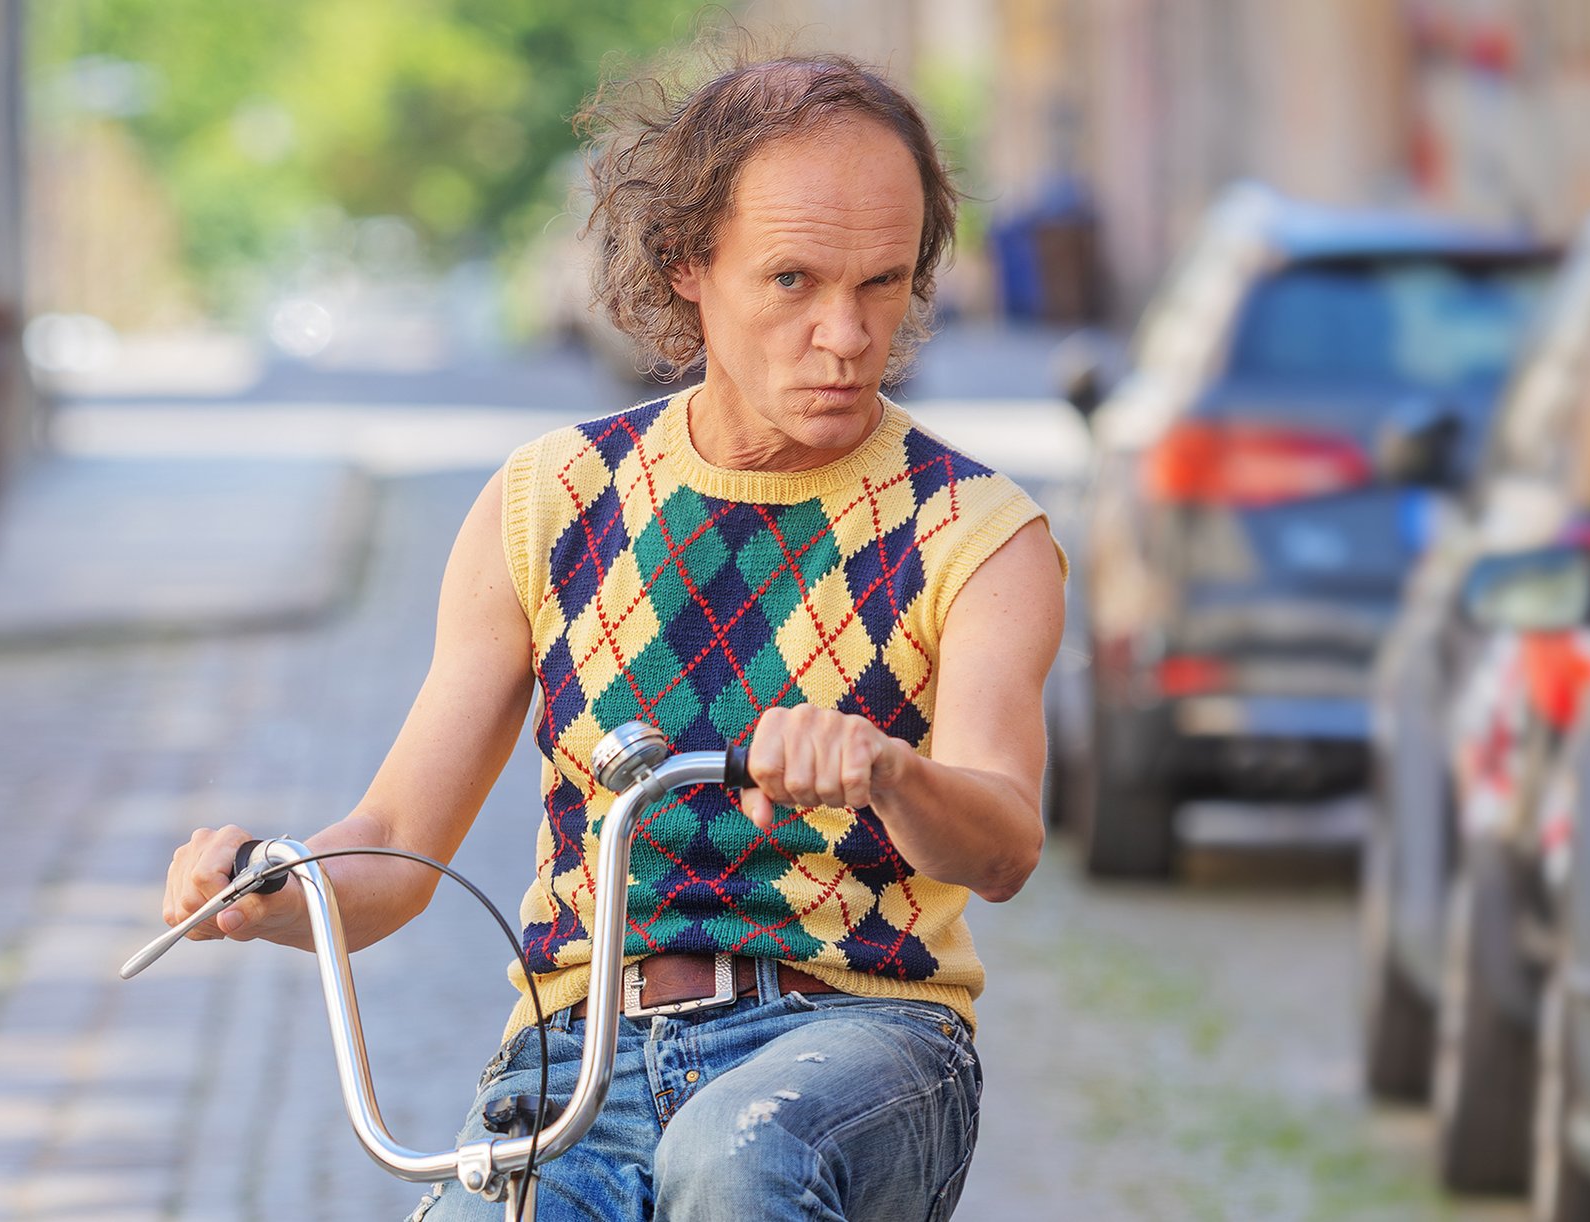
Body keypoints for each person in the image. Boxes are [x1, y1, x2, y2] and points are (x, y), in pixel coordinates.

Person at [161, 52, 1066, 1221]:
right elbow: (394, 843)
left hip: (860, 1043)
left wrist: (891, 771)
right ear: (687, 263)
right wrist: (277, 891)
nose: (846, 335)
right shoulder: (551, 499)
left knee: (737, 1164)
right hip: (582, 1060)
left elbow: (1001, 846)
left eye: (882, 283)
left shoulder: (977, 533)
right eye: (792, 280)